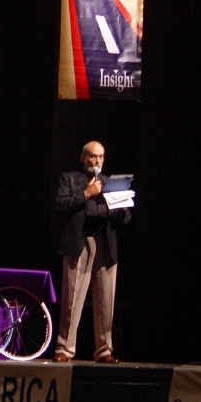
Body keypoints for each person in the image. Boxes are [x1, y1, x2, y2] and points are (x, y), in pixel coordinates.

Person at [53, 141, 131, 363]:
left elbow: (125, 219)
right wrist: (86, 194)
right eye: (93, 156)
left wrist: (123, 208)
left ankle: (104, 350)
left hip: (105, 243)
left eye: (101, 156)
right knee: (72, 299)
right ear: (83, 158)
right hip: (80, 243)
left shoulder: (109, 183)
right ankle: (64, 349)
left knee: (106, 300)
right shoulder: (70, 179)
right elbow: (60, 204)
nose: (97, 161)